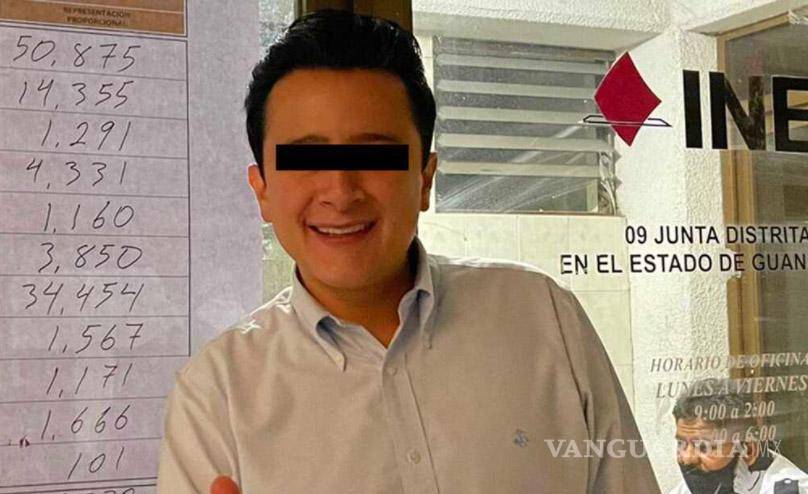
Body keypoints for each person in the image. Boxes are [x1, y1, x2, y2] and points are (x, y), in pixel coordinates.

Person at [156, 9, 660, 493]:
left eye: (376, 155)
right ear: (262, 190)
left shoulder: (545, 317)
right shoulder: (216, 394)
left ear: (425, 178)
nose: (340, 191)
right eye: (304, 157)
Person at [669, 378, 808, 494]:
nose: (687, 458)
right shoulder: (698, 485)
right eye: (681, 444)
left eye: (704, 447)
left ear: (748, 449)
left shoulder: (787, 489)